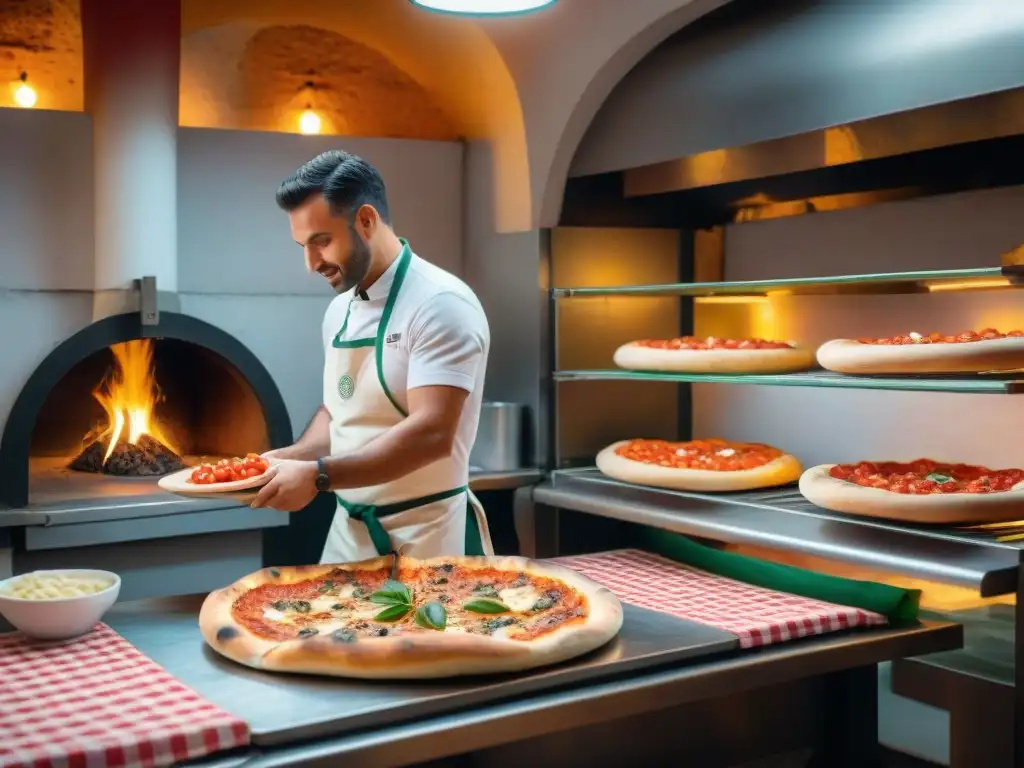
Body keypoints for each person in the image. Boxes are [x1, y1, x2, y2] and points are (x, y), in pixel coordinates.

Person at [250, 150, 494, 562]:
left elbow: (432, 433)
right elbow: (340, 413)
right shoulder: (339, 310)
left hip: (430, 538)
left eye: (321, 242)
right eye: (303, 246)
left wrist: (318, 476)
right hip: (350, 535)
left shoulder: (441, 303)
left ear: (366, 220)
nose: (310, 265)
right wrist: (286, 460)